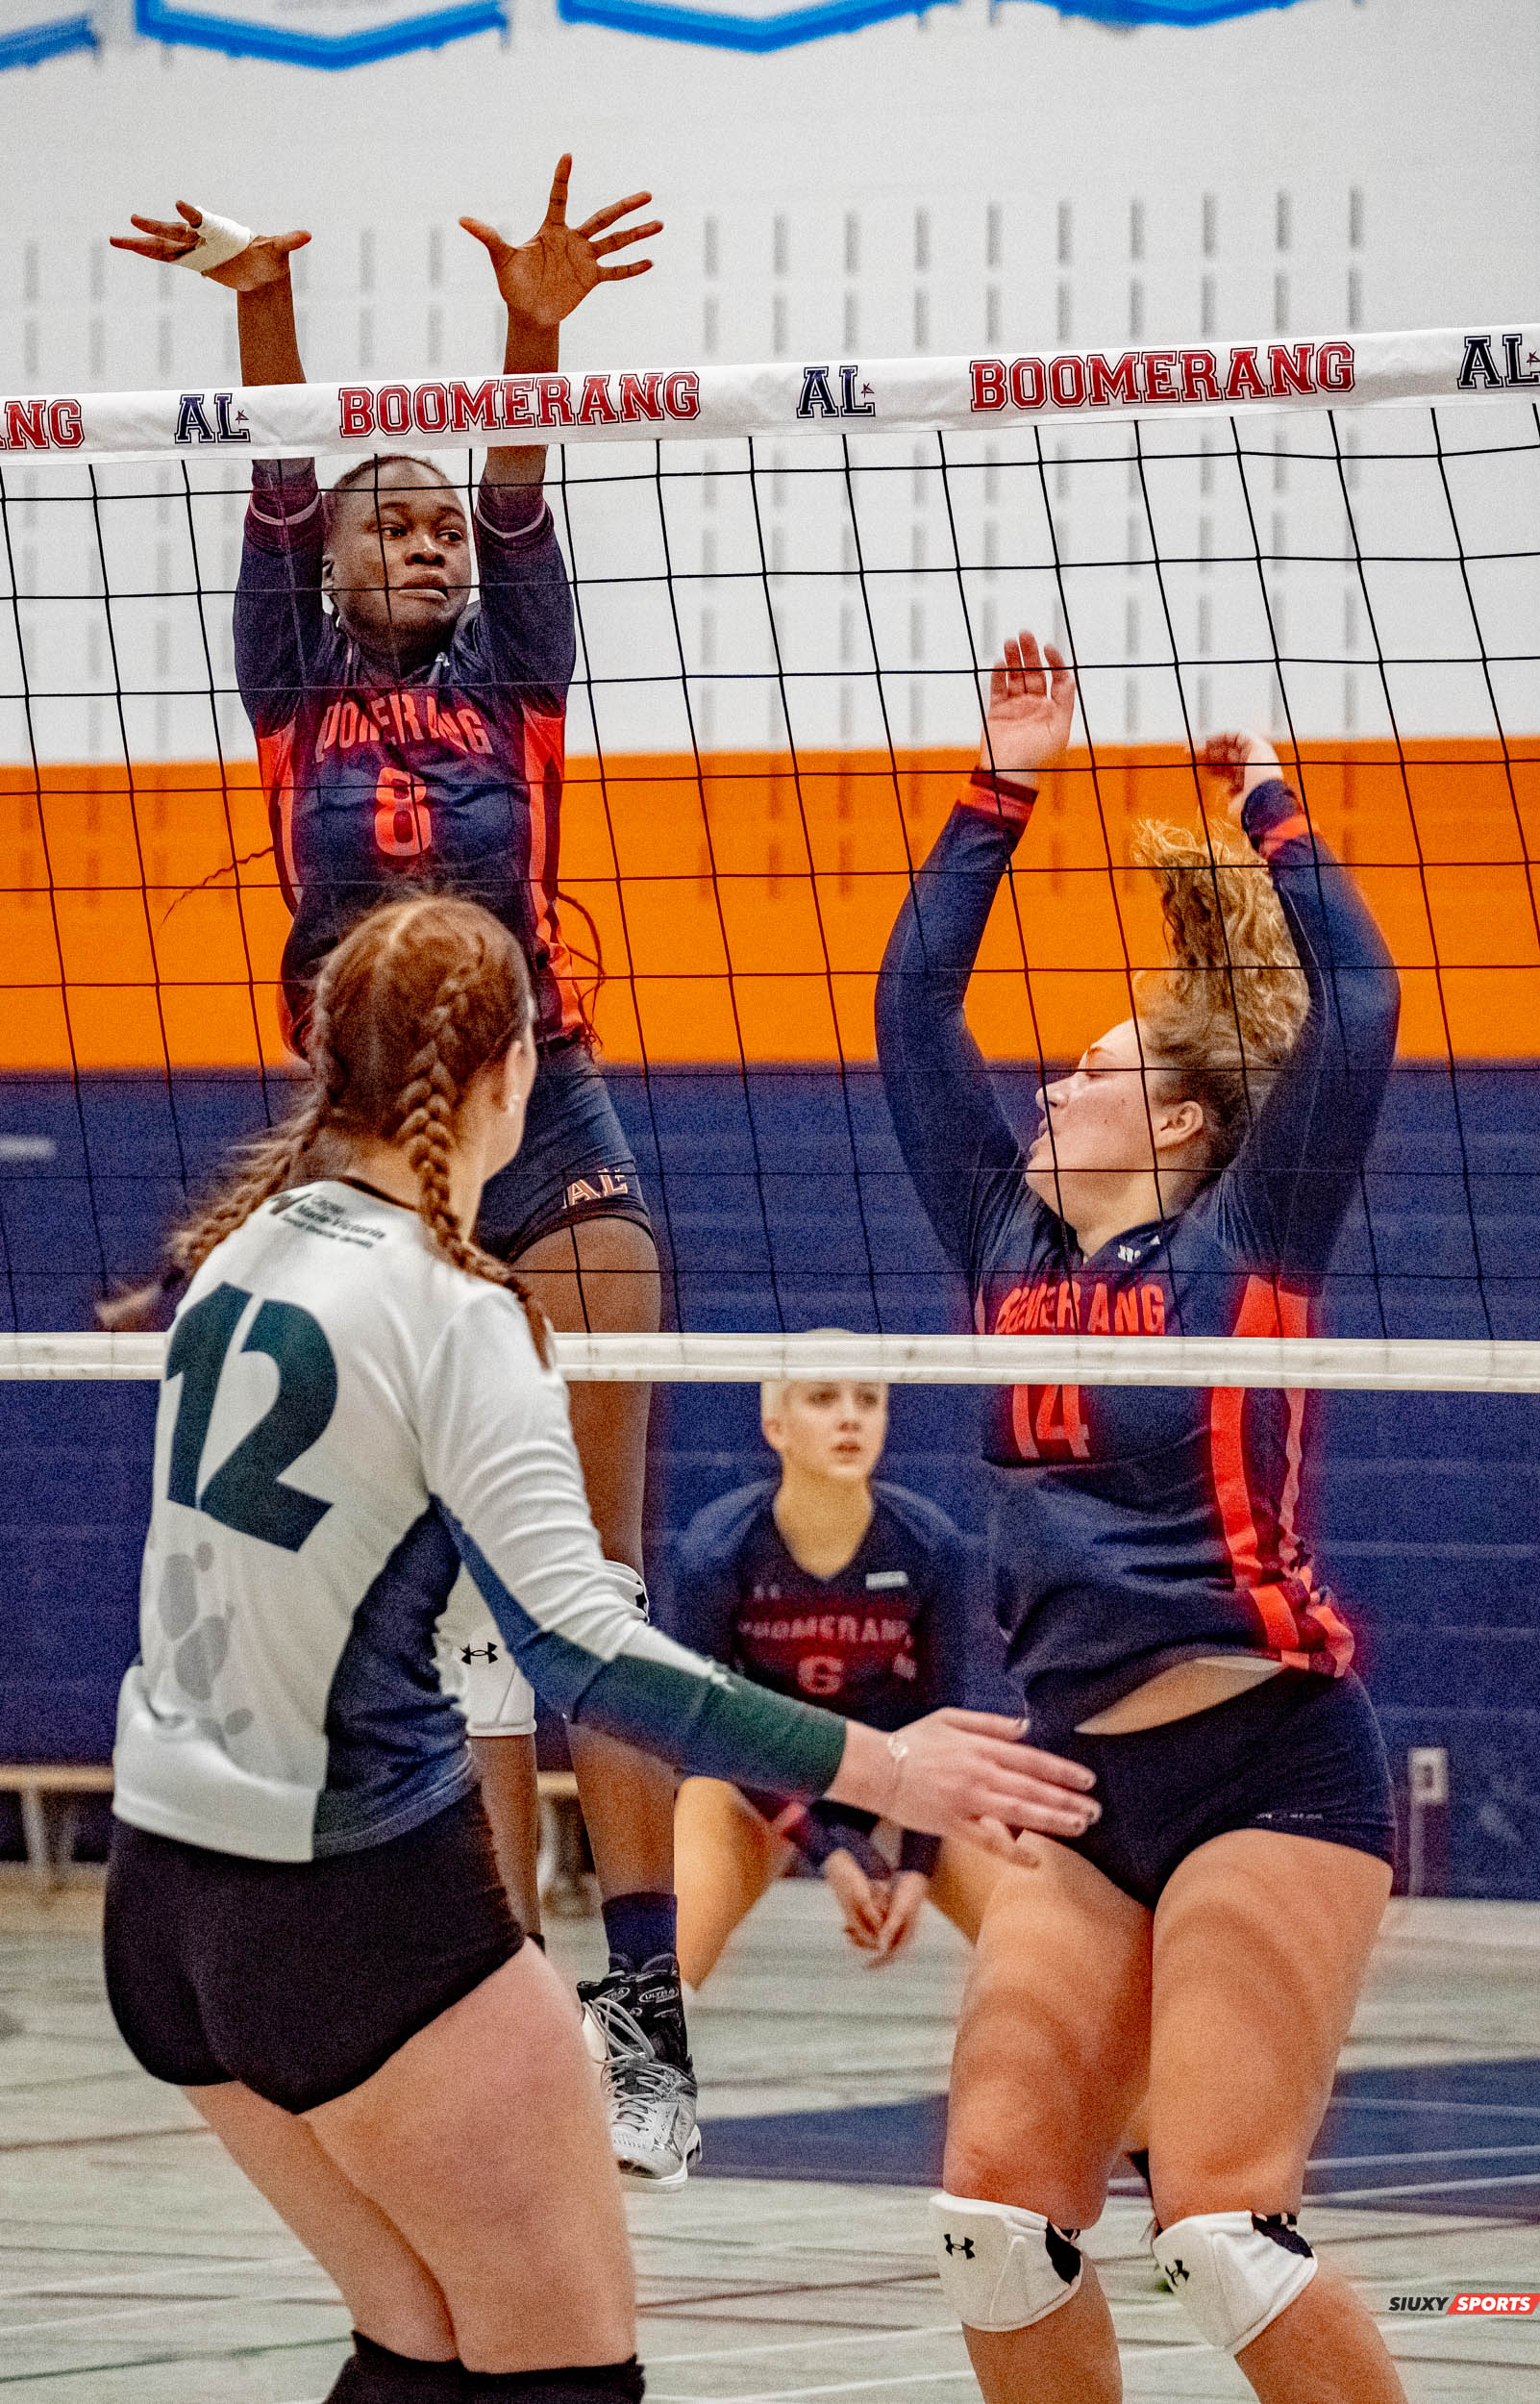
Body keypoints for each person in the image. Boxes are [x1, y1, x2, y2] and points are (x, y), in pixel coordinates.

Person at [102, 891, 1101, 2404]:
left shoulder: (227, 1263)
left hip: (161, 1902)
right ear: (513, 1075)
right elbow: (586, 1659)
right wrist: (883, 1765)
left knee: (419, 2339)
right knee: (563, 2368)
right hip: (349, 1911)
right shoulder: (457, 1312)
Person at [110, 163, 697, 2180]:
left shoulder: (512, 679)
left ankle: (645, 2012)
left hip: (553, 1117)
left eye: (447, 518)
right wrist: (259, 301)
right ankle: (470, 1973)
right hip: (363, 1140)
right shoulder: (291, 680)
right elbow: (275, 471)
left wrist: (537, 332)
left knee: (587, 1592)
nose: (429, 533)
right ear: (338, 565)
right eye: (392, 519)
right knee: (424, 1599)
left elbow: (527, 484)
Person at [875, 633, 1405, 2404]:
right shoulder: (1000, 1243)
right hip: (1074, 1781)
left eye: (1085, 1072)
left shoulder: (1254, 1237)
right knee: (989, 2215)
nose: (1045, 1090)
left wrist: (1261, 792)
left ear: (1174, 1115)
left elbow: (1363, 998)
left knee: (1218, 2233)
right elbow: (904, 1011)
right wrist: (1002, 780)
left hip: (1267, 1761)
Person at [665, 1366, 1005, 1988]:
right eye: (823, 1399)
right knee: (670, 1944)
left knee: (1029, 1944)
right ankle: (641, 2065)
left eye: (867, 1400)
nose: (850, 1417)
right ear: (775, 1426)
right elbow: (709, 1730)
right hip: (762, 1780)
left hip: (897, 1775)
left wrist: (916, 1869)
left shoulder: (931, 1545)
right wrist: (831, 1852)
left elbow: (943, 1718)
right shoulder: (717, 1547)